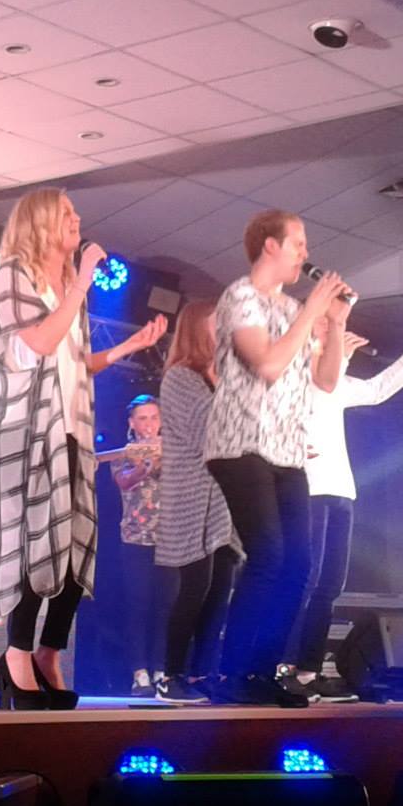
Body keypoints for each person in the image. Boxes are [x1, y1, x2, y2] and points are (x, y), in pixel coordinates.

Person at [0, 188, 164, 710]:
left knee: (78, 550)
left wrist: (128, 347)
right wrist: (80, 284)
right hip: (30, 434)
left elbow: (75, 360)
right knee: (37, 545)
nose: (77, 219)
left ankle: (48, 652)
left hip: (73, 430)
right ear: (40, 223)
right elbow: (34, 344)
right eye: (66, 213)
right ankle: (15, 656)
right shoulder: (14, 276)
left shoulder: (66, 289)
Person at [205, 210, 350, 707]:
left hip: (287, 450)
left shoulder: (292, 308)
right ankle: (231, 673)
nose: (305, 254)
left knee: (300, 565)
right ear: (270, 245)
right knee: (267, 554)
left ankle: (262, 671)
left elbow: (325, 380)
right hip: (240, 444)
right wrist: (311, 312)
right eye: (298, 243)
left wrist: (335, 325)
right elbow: (266, 363)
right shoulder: (240, 296)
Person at [282, 322, 403, 702]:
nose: (336, 336)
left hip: (341, 491)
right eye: (326, 331)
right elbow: (304, 398)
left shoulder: (337, 384)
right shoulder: (293, 379)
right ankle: (281, 667)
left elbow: (376, 390)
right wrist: (338, 357)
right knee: (303, 580)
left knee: (330, 584)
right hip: (307, 489)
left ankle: (308, 671)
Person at [153, 300, 235, 705]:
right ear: (196, 329)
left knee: (220, 588)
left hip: (222, 499)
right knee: (195, 587)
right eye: (217, 324)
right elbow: (208, 428)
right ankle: (171, 674)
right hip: (191, 496)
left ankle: (203, 671)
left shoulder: (216, 376)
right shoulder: (181, 377)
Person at [102, 394, 169, 697]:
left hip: (172, 539)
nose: (149, 424)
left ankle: (162, 670)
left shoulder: (174, 450)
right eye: (143, 418)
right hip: (136, 537)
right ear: (132, 422)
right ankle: (139, 674)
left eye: (154, 417)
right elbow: (123, 481)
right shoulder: (123, 453)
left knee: (167, 606)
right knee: (138, 605)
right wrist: (145, 465)